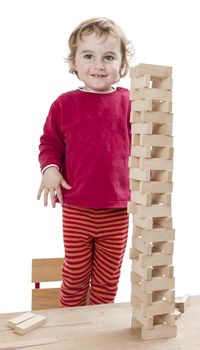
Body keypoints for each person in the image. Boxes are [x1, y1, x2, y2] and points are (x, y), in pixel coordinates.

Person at [37, 17, 134, 307]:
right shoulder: (65, 104)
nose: (98, 65)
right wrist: (50, 169)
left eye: (108, 57)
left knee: (107, 279)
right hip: (77, 207)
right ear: (74, 62)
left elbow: (146, 145)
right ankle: (72, 325)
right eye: (88, 56)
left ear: (122, 64)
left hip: (117, 209)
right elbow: (49, 143)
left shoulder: (131, 102)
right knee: (76, 274)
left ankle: (98, 328)